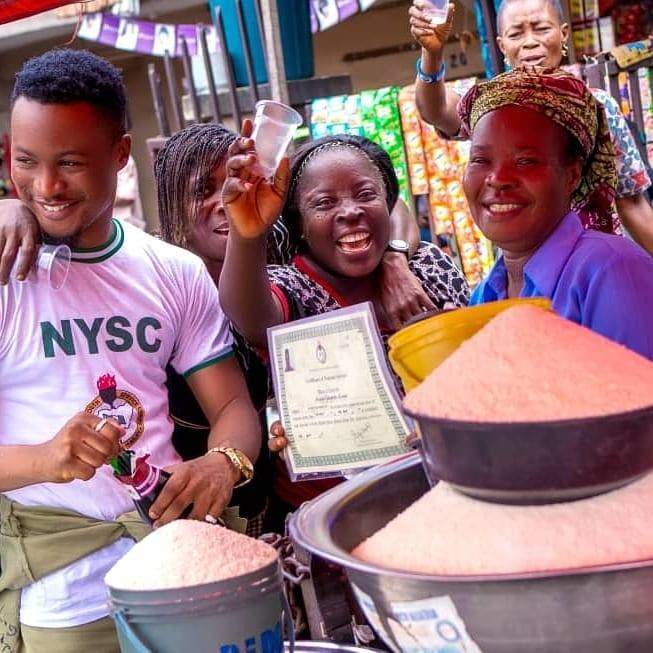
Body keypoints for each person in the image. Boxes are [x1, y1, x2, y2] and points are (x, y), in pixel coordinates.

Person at [0, 49, 260, 652]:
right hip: (60, 600)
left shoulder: (173, 272)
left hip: (177, 568)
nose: (46, 187)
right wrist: (47, 458)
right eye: (26, 162)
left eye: (69, 163)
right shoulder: (7, 277)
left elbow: (234, 409)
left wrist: (224, 463)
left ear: (120, 155)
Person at [219, 128, 469, 522]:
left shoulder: (429, 269)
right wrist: (247, 234)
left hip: (452, 498)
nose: (350, 210)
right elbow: (248, 315)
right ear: (300, 224)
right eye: (324, 202)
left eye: (366, 195)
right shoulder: (294, 286)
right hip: (340, 518)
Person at [409, 0, 653, 253]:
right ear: (503, 45)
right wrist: (432, 54)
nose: (530, 42)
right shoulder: (491, 105)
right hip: (525, 266)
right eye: (516, 34)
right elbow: (436, 110)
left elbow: (633, 204)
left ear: (564, 33)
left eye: (541, 29)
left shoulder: (598, 107)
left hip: (593, 260)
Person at [459, 68, 653, 359]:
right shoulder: (486, 293)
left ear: (572, 175)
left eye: (525, 161)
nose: (497, 178)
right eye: (480, 160)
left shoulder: (612, 270)